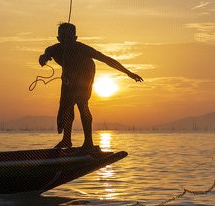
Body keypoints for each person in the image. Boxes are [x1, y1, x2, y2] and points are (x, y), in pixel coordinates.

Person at [38, 22, 143, 150]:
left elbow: (106, 59)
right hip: (68, 77)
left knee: (82, 103)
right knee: (66, 106)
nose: (67, 42)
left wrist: (128, 73)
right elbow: (44, 56)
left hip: (85, 73)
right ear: (58, 39)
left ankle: (88, 142)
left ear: (75, 38)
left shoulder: (83, 49)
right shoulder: (53, 50)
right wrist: (43, 59)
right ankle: (66, 140)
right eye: (63, 38)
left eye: (70, 38)